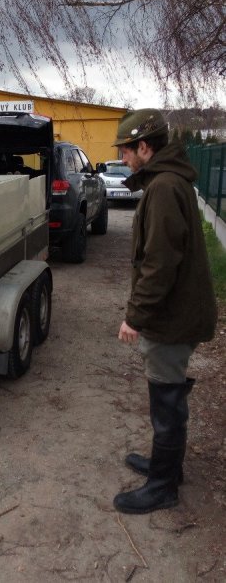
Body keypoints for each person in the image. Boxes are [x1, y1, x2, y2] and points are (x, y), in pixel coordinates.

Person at [112, 109, 217, 514]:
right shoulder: (168, 182)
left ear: (144, 146)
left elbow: (159, 262)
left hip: (171, 318)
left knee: (167, 399)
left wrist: (134, 316)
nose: (123, 159)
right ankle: (166, 467)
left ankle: (163, 486)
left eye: (126, 151)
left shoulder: (164, 188)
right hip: (178, 312)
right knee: (166, 395)